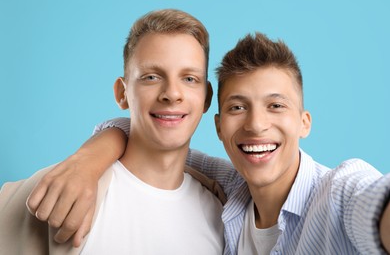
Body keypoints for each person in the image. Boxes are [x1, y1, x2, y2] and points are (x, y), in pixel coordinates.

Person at [25, 33, 390, 254]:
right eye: (237, 107)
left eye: (276, 106)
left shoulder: (339, 193)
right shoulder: (230, 186)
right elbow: (148, 137)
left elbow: (373, 202)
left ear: (304, 122)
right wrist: (88, 160)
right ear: (217, 125)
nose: (256, 124)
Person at [0, 9, 226, 254]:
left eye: (190, 79)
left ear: (207, 98)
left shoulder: (223, 215)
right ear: (122, 93)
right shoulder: (61, 188)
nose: (172, 93)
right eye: (151, 77)